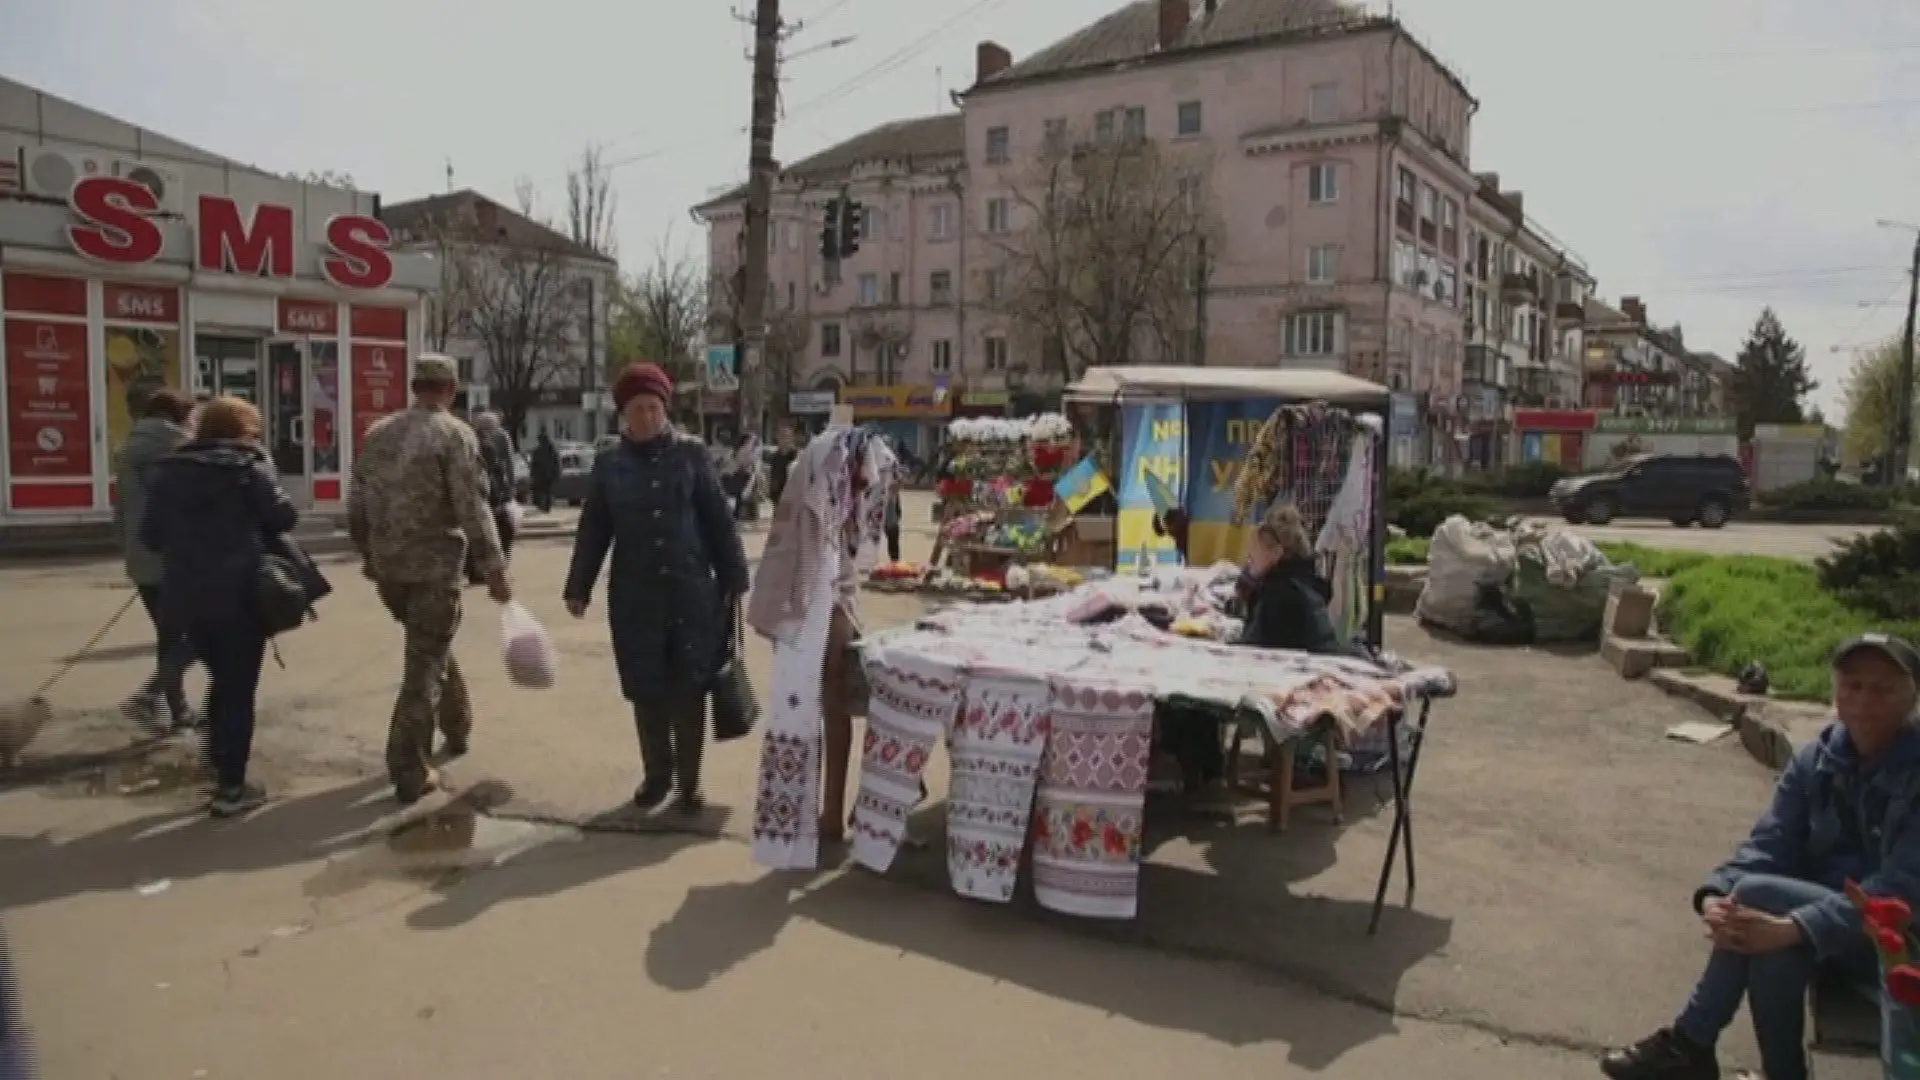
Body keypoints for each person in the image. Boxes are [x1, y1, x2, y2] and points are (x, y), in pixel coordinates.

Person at [1600, 633, 1920, 1080]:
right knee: (1770, 949)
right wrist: (1716, 897)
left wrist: (1795, 925)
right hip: (1825, 930)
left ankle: (1691, 1043)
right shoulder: (1818, 760)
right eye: (1852, 685)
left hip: (1898, 950)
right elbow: (1770, 843)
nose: (1864, 700)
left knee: (1760, 901)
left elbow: (1901, 892)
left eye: (1883, 689)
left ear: (1912, 698)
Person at [564, 363, 749, 815]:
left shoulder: (691, 455)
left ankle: (689, 783)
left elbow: (718, 522)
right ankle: (656, 776)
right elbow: (594, 531)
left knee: (689, 689)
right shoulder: (609, 464)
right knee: (646, 690)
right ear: (623, 415)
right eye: (637, 410)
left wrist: (736, 578)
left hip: (691, 593)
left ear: (664, 409)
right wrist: (578, 587)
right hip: (635, 596)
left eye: (653, 408)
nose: (646, 417)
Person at [349, 354, 511, 806]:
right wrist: (494, 568)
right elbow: (472, 507)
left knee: (430, 647)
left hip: (390, 570)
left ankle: (457, 726)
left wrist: (369, 552)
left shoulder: (378, 434)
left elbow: (357, 501)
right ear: (452, 390)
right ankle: (407, 766)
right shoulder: (454, 434)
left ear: (414, 385)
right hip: (434, 568)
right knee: (424, 667)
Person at [139, 395, 298, 817]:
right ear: (244, 429)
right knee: (237, 688)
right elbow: (284, 517)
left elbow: (151, 537)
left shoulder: (167, 472)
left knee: (219, 678)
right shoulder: (248, 469)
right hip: (241, 594)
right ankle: (231, 789)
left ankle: (218, 764)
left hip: (185, 596)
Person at [114, 388, 197, 736]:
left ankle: (177, 710)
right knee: (201, 632)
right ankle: (149, 695)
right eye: (190, 416)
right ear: (178, 417)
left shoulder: (128, 450)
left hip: (140, 556)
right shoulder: (178, 451)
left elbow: (124, 511)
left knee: (170, 635)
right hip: (175, 558)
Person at [1239, 503, 1346, 655]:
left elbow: (1255, 648)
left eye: (1255, 550)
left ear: (1276, 552)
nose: (1248, 557)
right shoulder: (1306, 582)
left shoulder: (1277, 593)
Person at [471, 410, 517, 571]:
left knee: (501, 528)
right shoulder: (475, 441)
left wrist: (509, 486)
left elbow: (506, 464)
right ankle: (491, 566)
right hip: (485, 494)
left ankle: (492, 565)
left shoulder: (500, 438)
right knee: (501, 528)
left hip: (492, 493)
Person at [766, 425, 798, 508]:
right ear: (777, 438)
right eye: (781, 436)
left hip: (792, 497)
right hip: (777, 496)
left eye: (786, 436)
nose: (784, 440)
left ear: (792, 438)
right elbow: (772, 475)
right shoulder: (775, 456)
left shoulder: (796, 455)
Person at [529, 431, 560, 513]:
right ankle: (545, 507)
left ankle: (544, 507)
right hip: (545, 475)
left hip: (543, 475)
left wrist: (532, 474)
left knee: (543, 492)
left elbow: (533, 465)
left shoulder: (547, 451)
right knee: (545, 492)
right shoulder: (551, 450)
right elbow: (534, 465)